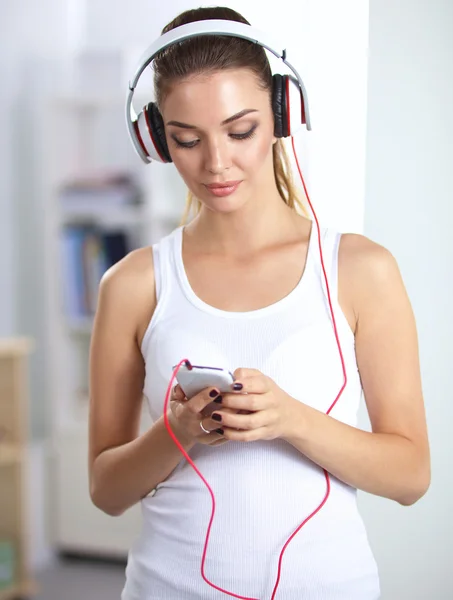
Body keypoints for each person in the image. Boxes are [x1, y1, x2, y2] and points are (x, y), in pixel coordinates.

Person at [88, 6, 430, 600]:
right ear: (157, 140)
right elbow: (107, 491)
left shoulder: (359, 270)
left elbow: (410, 477)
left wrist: (292, 419)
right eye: (186, 140)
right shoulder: (134, 284)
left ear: (281, 115)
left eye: (239, 131)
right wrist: (177, 432)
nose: (216, 163)